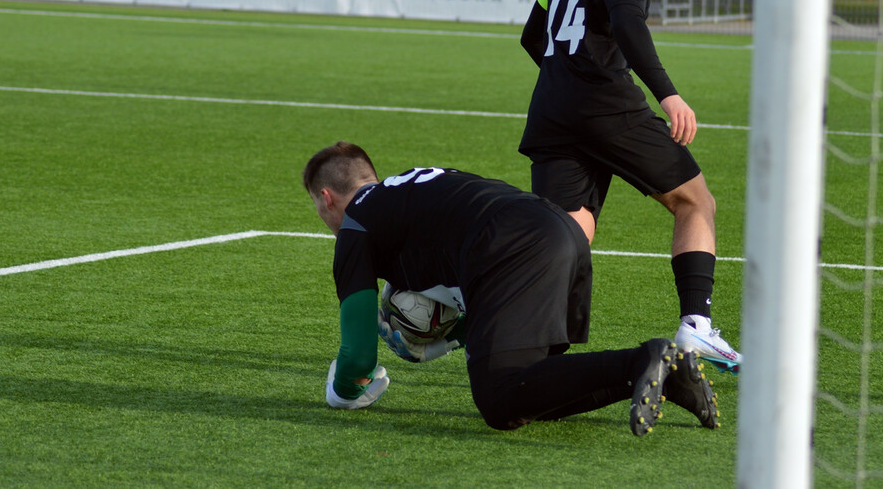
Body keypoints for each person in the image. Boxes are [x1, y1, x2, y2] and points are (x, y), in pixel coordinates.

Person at [304, 140, 719, 435]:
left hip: (510, 245)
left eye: (319, 209)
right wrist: (450, 339)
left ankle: (643, 358)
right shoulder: (409, 191)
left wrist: (343, 393)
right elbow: (479, 298)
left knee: (498, 400)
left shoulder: (355, 224)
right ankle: (666, 374)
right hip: (557, 231)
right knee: (531, 391)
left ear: (326, 198)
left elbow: (358, 357)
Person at [517, 0, 742, 374]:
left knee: (566, 232)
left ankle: (536, 345)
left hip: (552, 109)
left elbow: (533, 35)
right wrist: (667, 94)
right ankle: (697, 327)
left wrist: (567, 78)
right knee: (695, 201)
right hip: (605, 106)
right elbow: (627, 21)